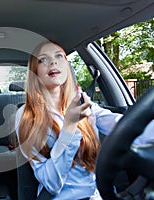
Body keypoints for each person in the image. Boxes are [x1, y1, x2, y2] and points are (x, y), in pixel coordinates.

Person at [15, 40, 124, 200]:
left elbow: (123, 126)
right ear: (35, 72)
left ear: (67, 67)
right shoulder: (26, 116)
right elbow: (51, 184)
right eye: (43, 59)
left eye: (59, 56)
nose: (53, 61)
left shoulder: (83, 104)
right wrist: (69, 128)